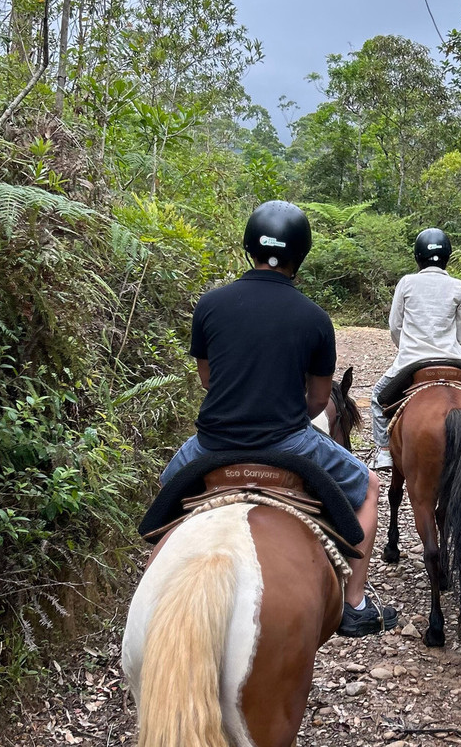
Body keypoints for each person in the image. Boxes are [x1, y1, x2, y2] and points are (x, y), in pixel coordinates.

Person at [161, 200, 398, 637]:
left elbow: (209, 381)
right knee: (368, 485)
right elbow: (318, 400)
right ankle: (355, 603)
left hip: (211, 443)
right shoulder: (314, 318)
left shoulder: (210, 305)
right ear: (301, 254)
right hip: (288, 444)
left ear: (249, 245)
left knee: (163, 498)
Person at [370, 227, 461, 470]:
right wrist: (453, 349)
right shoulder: (458, 286)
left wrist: (405, 348)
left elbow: (395, 326)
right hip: (454, 359)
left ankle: (383, 451)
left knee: (376, 397)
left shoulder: (406, 283)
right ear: (447, 256)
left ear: (417, 256)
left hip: (411, 361)